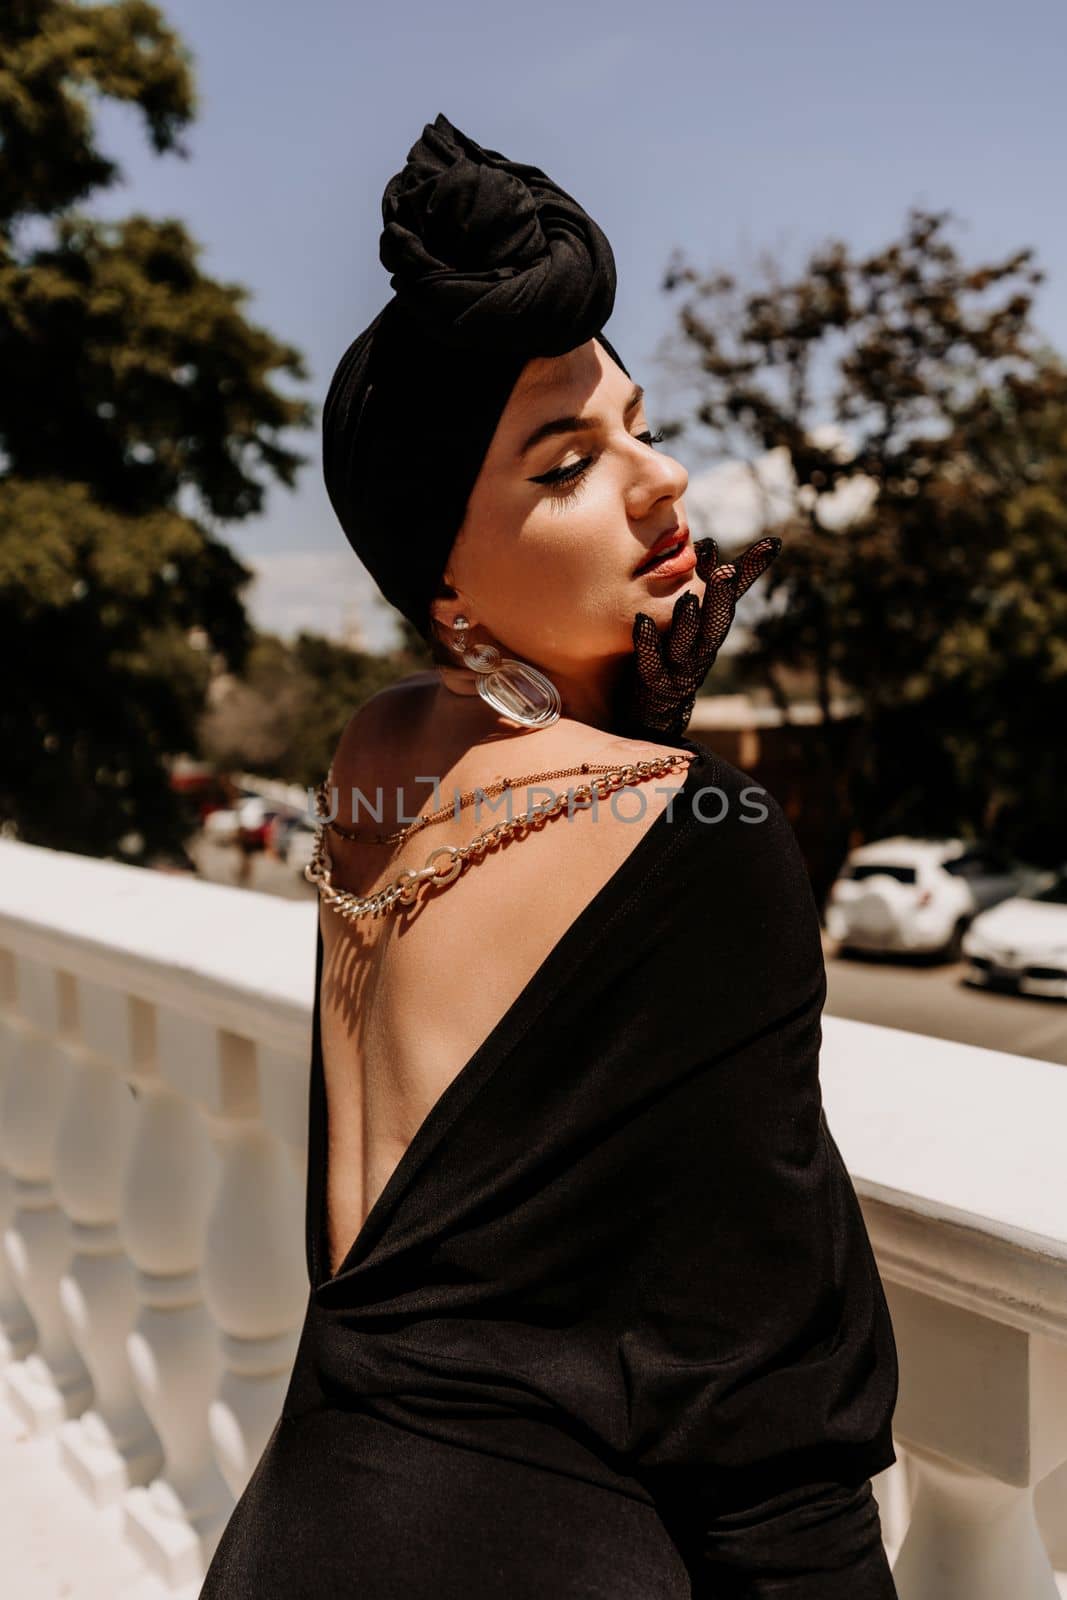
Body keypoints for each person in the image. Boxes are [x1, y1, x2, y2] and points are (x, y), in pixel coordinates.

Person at [199, 114, 899, 1599]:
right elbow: (773, 1429)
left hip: (296, 1537)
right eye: (568, 464)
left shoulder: (372, 756)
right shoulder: (705, 843)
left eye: (641, 427)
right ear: (442, 576)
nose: (660, 489)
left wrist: (628, 714)